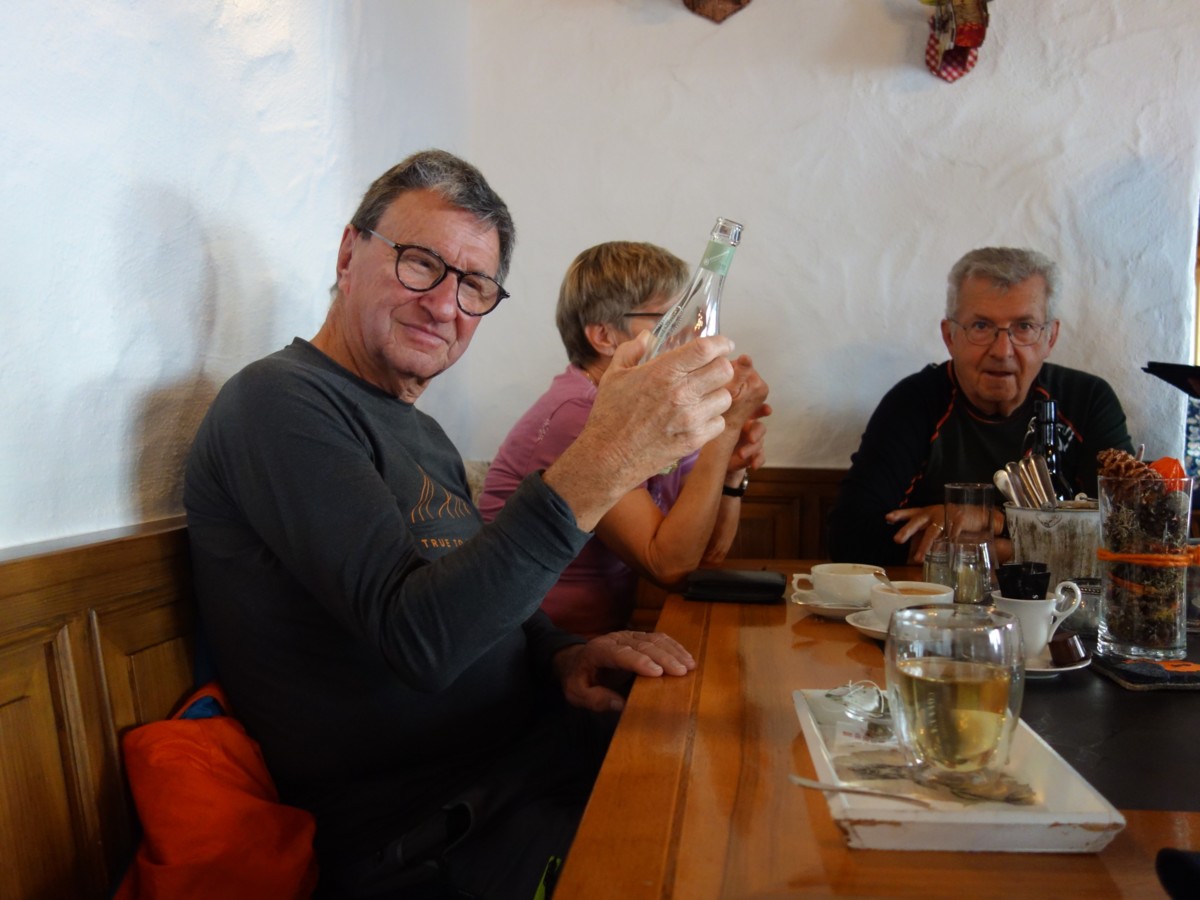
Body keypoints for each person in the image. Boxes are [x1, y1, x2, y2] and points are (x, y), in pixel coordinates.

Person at [183, 150, 740, 899]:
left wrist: (565, 657)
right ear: (348, 253)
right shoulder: (279, 404)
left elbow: (473, 594)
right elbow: (422, 639)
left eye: (474, 285)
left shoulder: (423, 433)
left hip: (527, 769)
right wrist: (605, 457)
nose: (445, 305)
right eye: (420, 263)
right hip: (428, 836)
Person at [478, 241, 770, 637]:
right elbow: (668, 567)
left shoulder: (652, 417)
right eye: (669, 318)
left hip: (599, 640)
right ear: (604, 337)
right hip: (531, 651)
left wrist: (729, 472)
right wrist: (726, 429)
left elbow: (706, 558)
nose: (690, 335)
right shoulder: (581, 415)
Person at [828, 246, 1134, 568]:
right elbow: (848, 540)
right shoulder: (913, 403)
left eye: (1024, 327)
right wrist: (1025, 549)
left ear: (1050, 338)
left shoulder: (1088, 401)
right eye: (981, 326)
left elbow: (1128, 531)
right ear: (950, 337)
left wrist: (992, 521)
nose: (1002, 351)